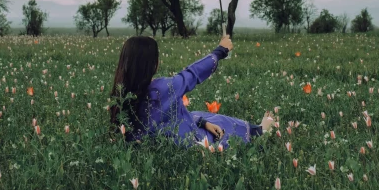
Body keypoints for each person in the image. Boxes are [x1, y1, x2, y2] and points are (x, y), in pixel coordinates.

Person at [108, 34, 278, 149]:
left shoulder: (121, 93)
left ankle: (255, 129)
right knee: (220, 126)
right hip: (180, 142)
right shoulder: (162, 88)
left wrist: (202, 122)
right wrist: (220, 51)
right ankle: (259, 132)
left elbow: (168, 117)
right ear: (153, 64)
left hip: (156, 138)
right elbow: (192, 74)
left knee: (204, 117)